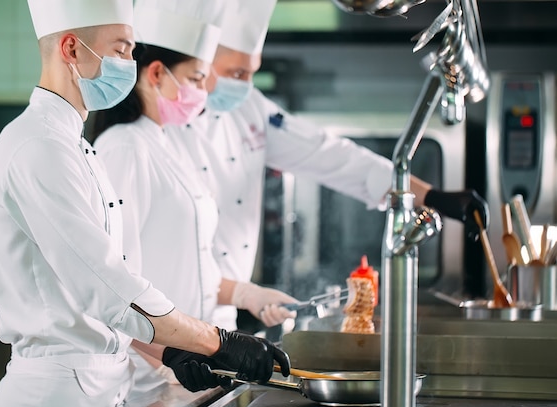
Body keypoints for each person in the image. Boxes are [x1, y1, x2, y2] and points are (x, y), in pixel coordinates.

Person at [0, 1, 290, 407]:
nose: (132, 63)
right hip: (53, 399)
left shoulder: (75, 145)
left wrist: (170, 352)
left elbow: (112, 287)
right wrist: (216, 342)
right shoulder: (39, 147)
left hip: (102, 391)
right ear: (71, 49)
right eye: (123, 49)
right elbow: (107, 288)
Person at [165, 0, 490, 332]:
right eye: (236, 74)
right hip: (167, 322)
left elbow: (333, 157)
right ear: (201, 64)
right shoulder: (157, 129)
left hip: (221, 325)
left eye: (252, 73)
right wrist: (246, 294)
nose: (245, 85)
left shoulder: (249, 109)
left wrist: (431, 196)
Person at [89, 0, 297, 400]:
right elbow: (110, 288)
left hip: (193, 367)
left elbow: (185, 265)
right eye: (198, 78)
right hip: (148, 378)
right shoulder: (123, 149)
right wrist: (168, 357)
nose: (205, 92)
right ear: (156, 74)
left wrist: (245, 294)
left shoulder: (167, 144)